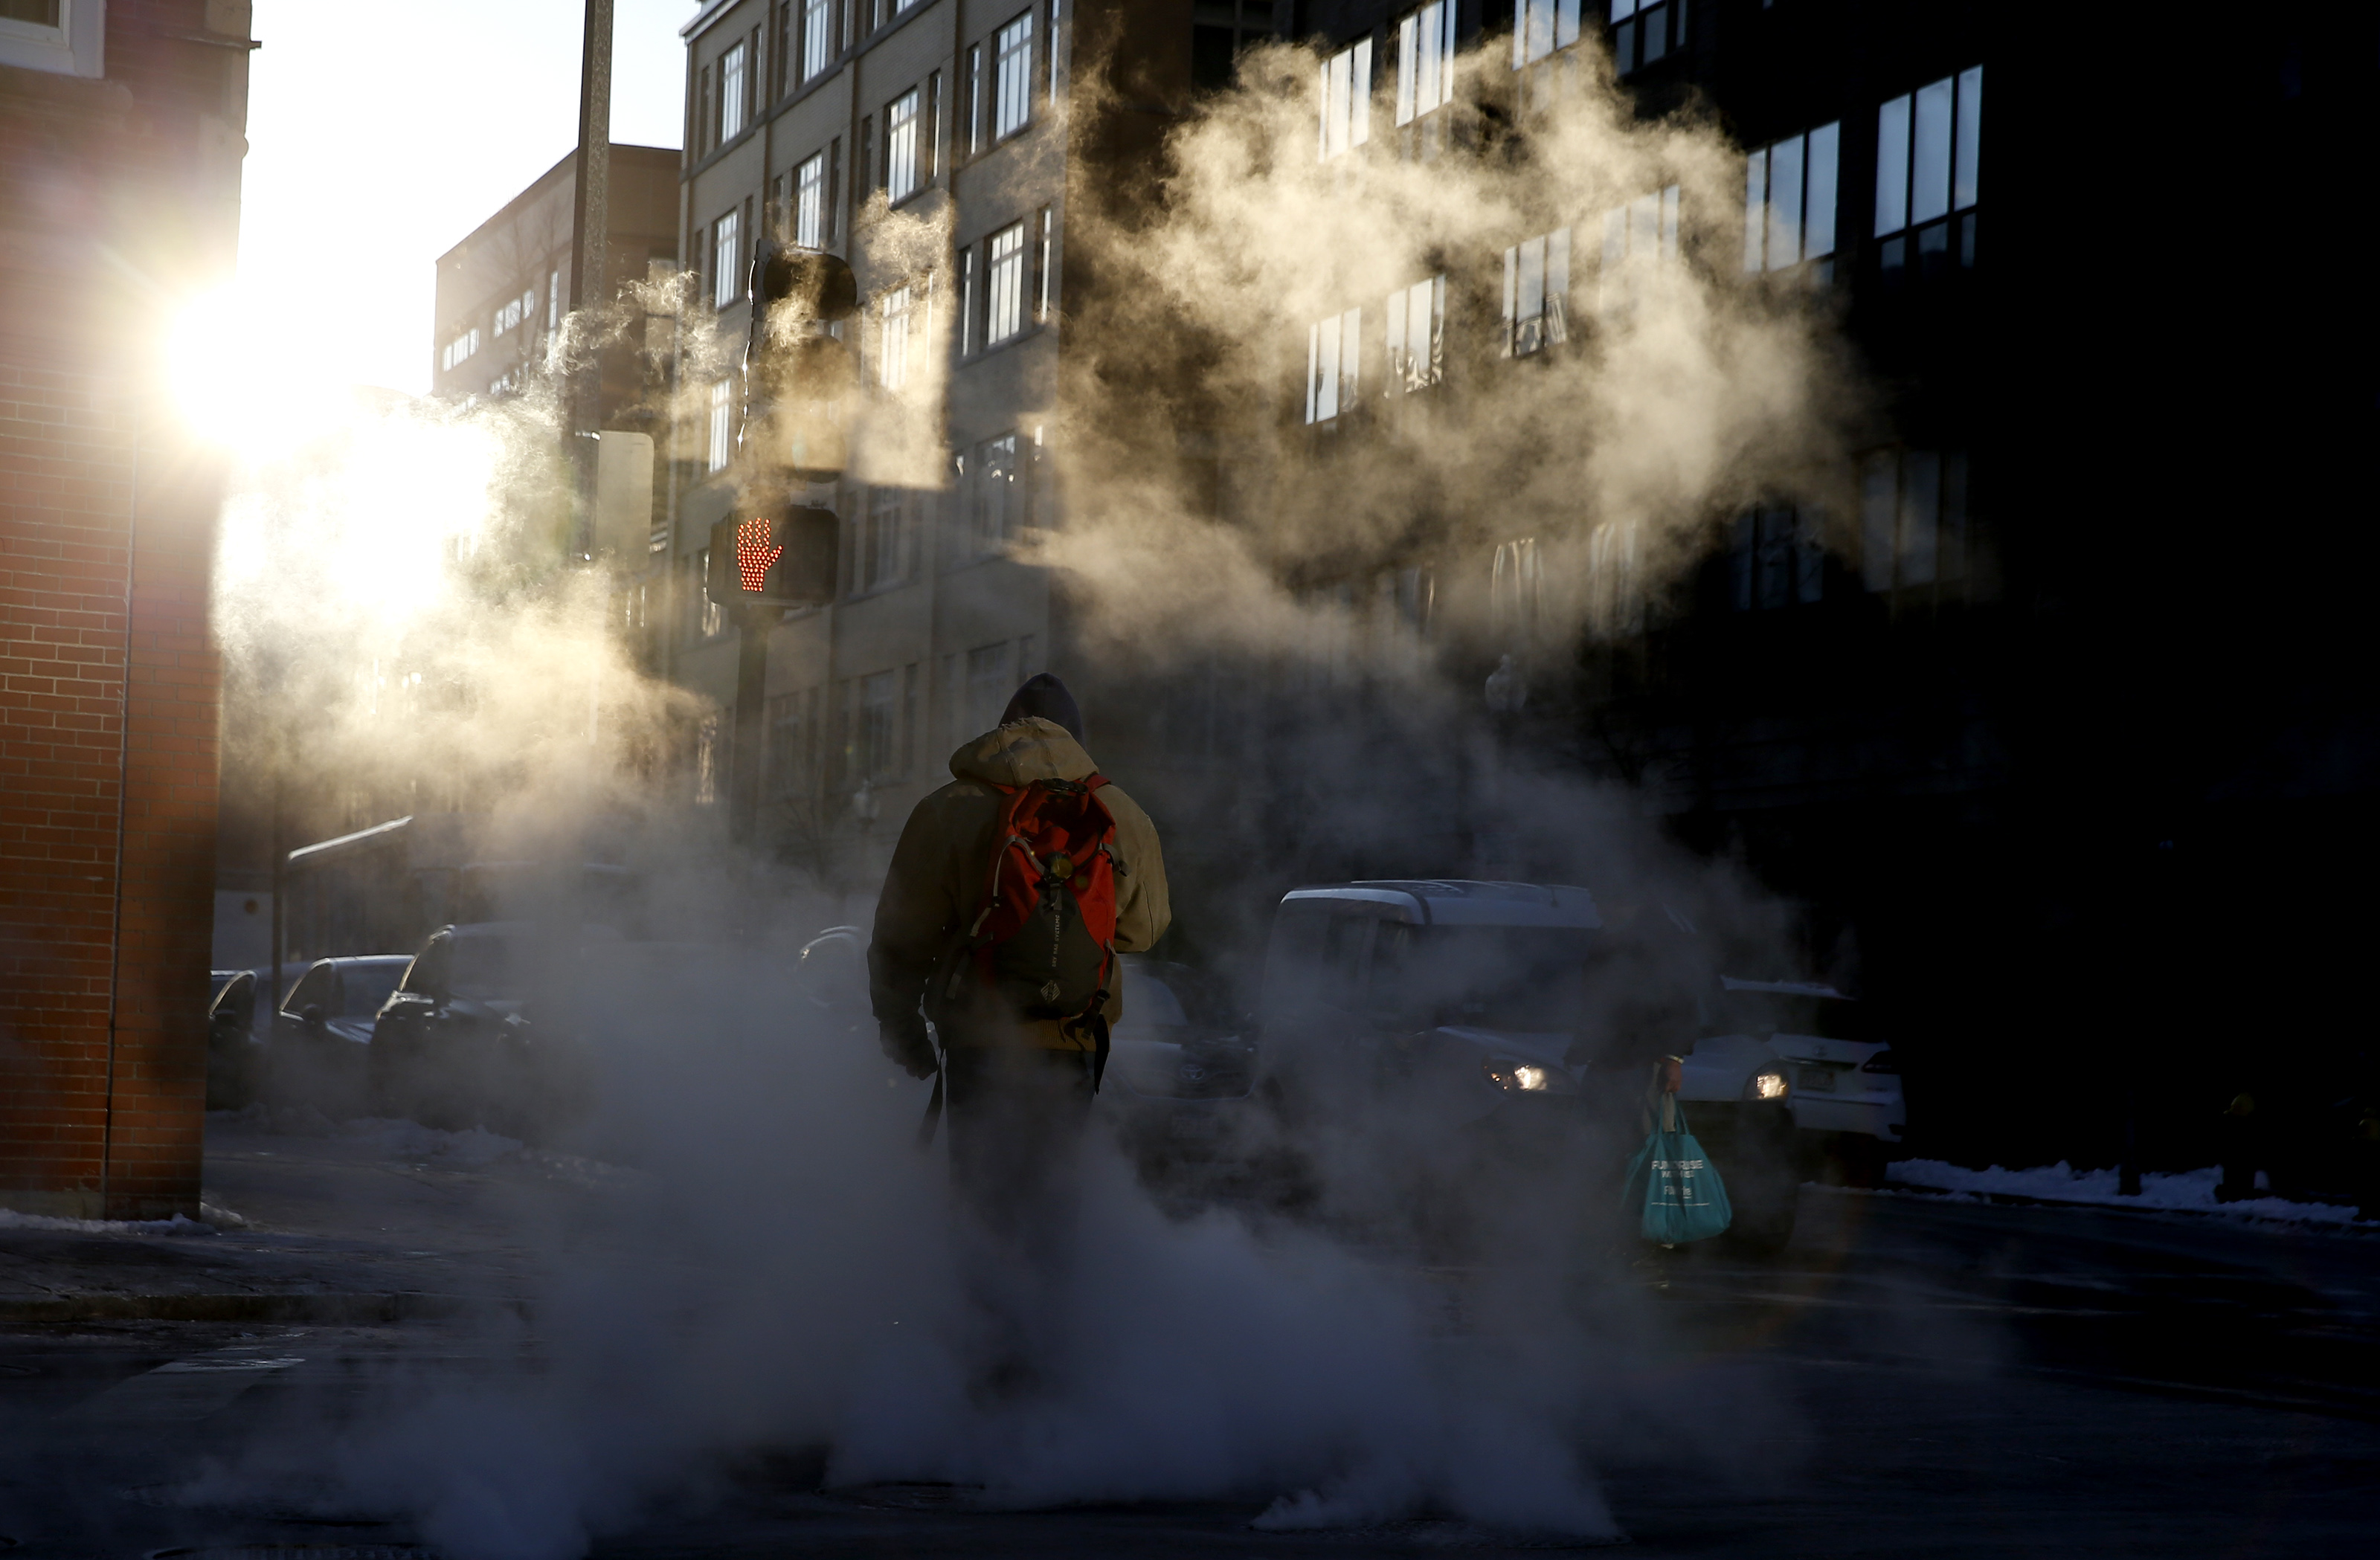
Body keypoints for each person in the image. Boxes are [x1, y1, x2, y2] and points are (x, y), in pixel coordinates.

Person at [868, 674, 1171, 1241]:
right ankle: (1045, 1321)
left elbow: (902, 936)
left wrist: (901, 1030)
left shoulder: (949, 807)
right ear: (1078, 739)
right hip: (1073, 1044)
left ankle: (982, 1320)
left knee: (982, 1207)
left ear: (1000, 731)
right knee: (1051, 1209)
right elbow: (1144, 930)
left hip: (980, 1042)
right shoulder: (1121, 814)